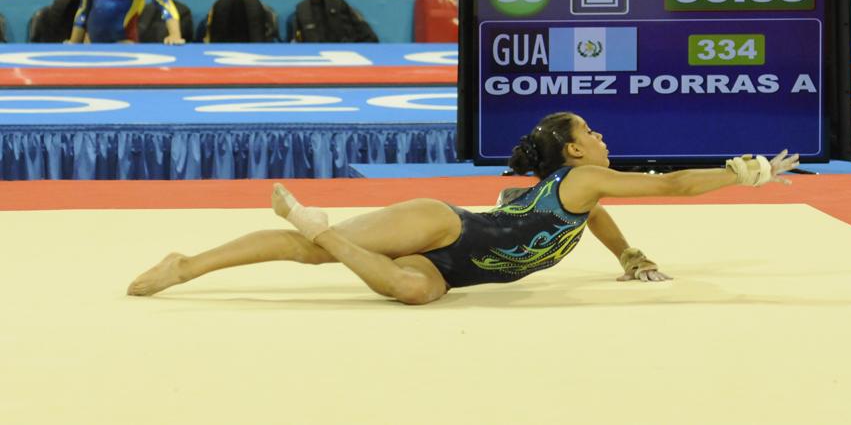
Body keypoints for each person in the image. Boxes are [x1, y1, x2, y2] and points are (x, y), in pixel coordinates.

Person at [128, 111, 799, 304]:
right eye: (590, 131)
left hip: (456, 267)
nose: (601, 136)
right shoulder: (587, 178)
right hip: (444, 222)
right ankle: (185, 265)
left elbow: (589, 217)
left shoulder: (575, 191)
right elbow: (674, 187)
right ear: (571, 148)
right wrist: (747, 171)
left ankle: (319, 228)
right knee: (306, 254)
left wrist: (627, 254)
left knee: (416, 290)